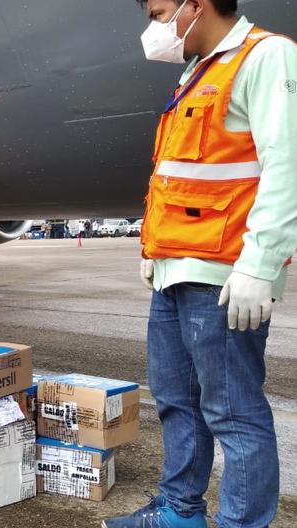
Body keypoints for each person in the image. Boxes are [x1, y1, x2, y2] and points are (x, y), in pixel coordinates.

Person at [105, 1, 297, 527]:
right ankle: (179, 512)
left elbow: (287, 165)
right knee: (176, 401)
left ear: (197, 4)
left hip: (224, 277)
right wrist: (153, 252)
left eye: (161, 10)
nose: (155, 26)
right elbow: (178, 176)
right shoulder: (198, 72)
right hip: (174, 270)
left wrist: (259, 264)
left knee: (233, 414)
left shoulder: (266, 57)